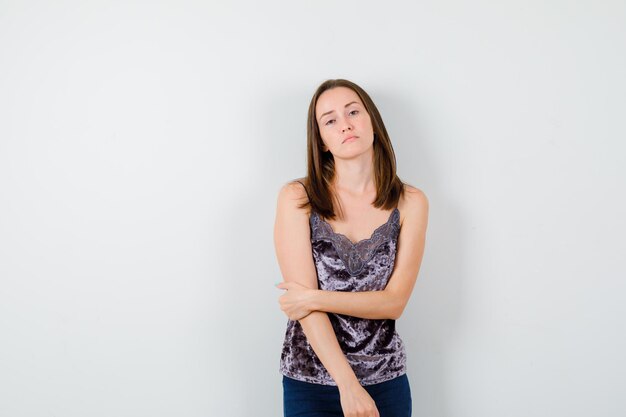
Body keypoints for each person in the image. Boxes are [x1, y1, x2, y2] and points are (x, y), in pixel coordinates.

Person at [273, 78, 429, 417]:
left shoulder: (411, 202)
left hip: (386, 380)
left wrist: (314, 296)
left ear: (372, 120)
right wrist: (348, 386)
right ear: (322, 141)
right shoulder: (297, 198)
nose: (345, 124)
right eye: (330, 120)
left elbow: (394, 302)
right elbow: (305, 313)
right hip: (309, 381)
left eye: (353, 112)